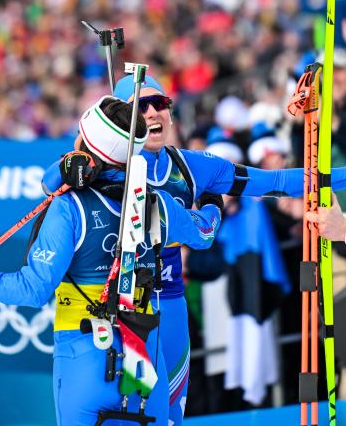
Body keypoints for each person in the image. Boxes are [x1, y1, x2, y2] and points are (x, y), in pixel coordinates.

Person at [43, 74, 346, 425]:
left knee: (168, 417)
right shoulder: (100, 164)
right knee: (117, 414)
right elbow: (52, 182)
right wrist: (66, 166)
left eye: (162, 104)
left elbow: (276, 182)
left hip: (168, 307)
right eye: (142, 106)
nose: (155, 112)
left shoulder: (192, 167)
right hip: (115, 316)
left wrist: (340, 176)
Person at [0, 96, 222, 426]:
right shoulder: (158, 201)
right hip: (141, 364)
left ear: (87, 144)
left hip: (84, 362)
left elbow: (33, 290)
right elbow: (205, 232)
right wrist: (212, 202)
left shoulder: (69, 207)